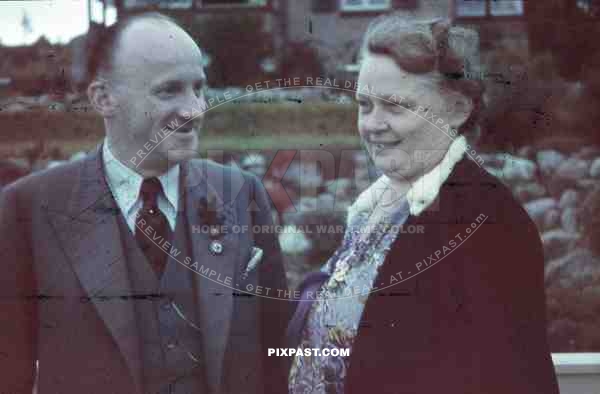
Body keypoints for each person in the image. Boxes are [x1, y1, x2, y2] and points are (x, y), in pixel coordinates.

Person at [0, 12, 289, 394]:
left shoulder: (242, 193)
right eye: (168, 90)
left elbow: (276, 353)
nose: (195, 110)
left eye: (198, 88)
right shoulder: (27, 208)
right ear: (104, 98)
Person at [287, 15, 559, 393]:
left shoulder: (489, 222)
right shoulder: (376, 206)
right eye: (365, 106)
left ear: (457, 109)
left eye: (395, 107)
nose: (373, 124)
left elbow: (510, 376)